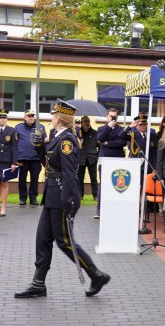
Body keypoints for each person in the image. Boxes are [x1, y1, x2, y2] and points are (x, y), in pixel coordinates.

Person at [15, 99, 111, 299]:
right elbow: (50, 165)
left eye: (52, 115)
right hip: (52, 194)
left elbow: (68, 173)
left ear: (58, 118)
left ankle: (96, 275)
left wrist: (69, 201)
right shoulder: (58, 136)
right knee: (43, 239)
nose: (50, 118)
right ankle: (38, 284)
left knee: (65, 241)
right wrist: (40, 147)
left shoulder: (67, 140)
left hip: (61, 195)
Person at [95, 107, 128, 218]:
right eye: (111, 116)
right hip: (104, 159)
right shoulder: (102, 128)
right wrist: (109, 127)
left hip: (117, 159)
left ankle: (114, 208)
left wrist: (108, 143)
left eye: (115, 116)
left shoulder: (121, 129)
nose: (113, 118)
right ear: (107, 117)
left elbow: (123, 142)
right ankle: (99, 208)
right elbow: (100, 139)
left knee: (116, 183)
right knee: (103, 184)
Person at [15, 110, 45, 206]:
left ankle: (33, 198)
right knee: (22, 179)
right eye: (29, 116)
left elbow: (45, 141)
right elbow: (15, 143)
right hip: (22, 158)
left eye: (32, 116)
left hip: (36, 158)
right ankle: (22, 198)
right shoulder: (18, 127)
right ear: (25, 117)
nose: (31, 118)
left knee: (34, 179)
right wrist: (16, 158)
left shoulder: (40, 127)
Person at [76, 116, 99, 201]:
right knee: (79, 178)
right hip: (81, 158)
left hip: (92, 158)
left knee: (93, 177)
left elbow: (98, 145)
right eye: (84, 122)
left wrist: (97, 155)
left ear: (89, 123)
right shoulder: (78, 133)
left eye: (87, 122)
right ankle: (80, 195)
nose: (86, 124)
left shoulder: (94, 133)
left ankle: (95, 195)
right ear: (81, 123)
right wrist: (79, 142)